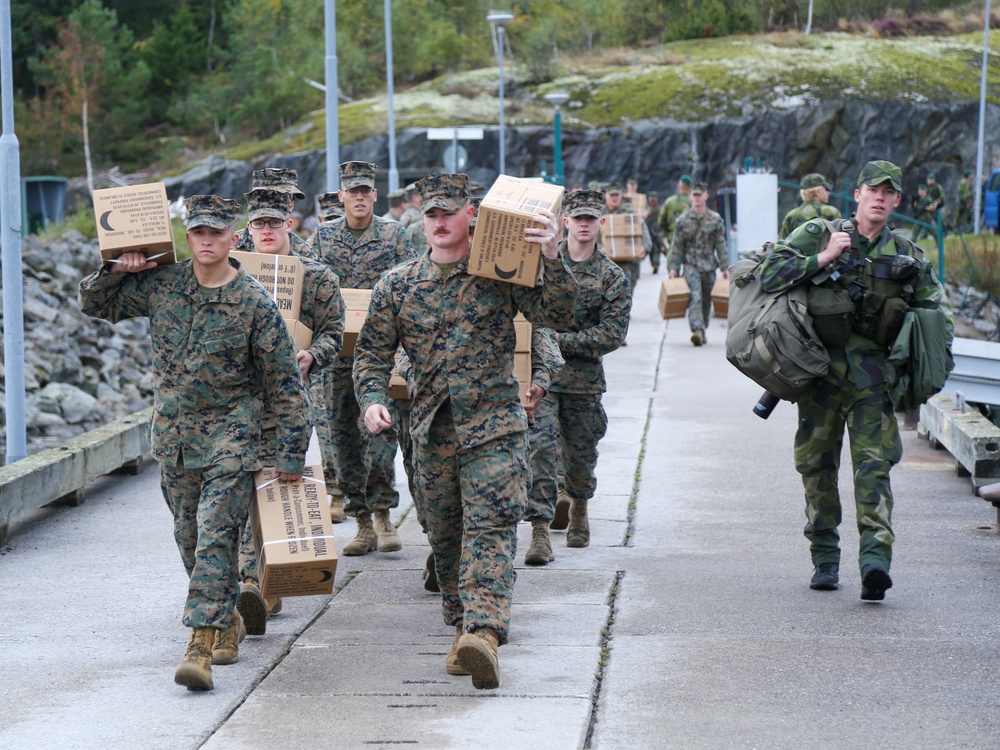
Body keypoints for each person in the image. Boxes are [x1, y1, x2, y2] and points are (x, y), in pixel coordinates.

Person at [353, 173, 579, 690]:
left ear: (470, 214)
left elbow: (559, 314)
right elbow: (370, 354)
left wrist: (552, 257)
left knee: (493, 528)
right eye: (430, 214)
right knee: (447, 537)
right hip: (431, 434)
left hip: (496, 426)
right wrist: (371, 399)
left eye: (447, 213)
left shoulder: (500, 273)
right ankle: (462, 624)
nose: (437, 222)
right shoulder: (399, 284)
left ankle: (484, 631)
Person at [78, 195, 311, 691]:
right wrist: (117, 268)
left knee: (214, 534)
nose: (207, 241)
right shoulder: (163, 286)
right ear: (189, 238)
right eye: (199, 233)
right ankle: (225, 618)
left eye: (216, 233)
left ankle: (199, 645)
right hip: (175, 438)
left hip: (233, 435)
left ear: (233, 238)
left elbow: (285, 386)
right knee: (189, 536)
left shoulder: (253, 303)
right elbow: (95, 305)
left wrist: (290, 452)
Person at [759, 160, 952, 601]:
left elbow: (936, 316)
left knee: (874, 470)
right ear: (858, 193)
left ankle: (875, 562)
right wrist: (822, 258)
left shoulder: (908, 256)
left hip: (873, 382)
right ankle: (825, 558)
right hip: (819, 377)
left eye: (889, 192)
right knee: (817, 469)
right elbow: (770, 274)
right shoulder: (820, 233)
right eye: (873, 189)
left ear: (898, 201)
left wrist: (921, 374)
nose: (880, 197)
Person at [234, 188, 346, 636]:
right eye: (258, 223)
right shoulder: (230, 272)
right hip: (239, 401)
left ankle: (269, 579)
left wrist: (312, 355)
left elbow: (336, 332)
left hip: (287, 403)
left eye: (273, 223)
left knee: (277, 486)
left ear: (289, 224)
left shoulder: (314, 276)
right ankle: (249, 582)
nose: (265, 230)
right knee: (239, 489)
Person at [307, 161, 416, 555]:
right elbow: (306, 286)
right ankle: (362, 523)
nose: (358, 197)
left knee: (381, 436)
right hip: (336, 357)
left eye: (364, 190)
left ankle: (385, 514)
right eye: (351, 191)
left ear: (374, 195)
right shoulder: (323, 238)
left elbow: (409, 289)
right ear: (341, 196)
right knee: (341, 442)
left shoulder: (394, 235)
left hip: (380, 354)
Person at [531, 189, 631, 553]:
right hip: (542, 378)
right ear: (565, 222)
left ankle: (579, 508)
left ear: (601, 223)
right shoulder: (541, 264)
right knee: (538, 450)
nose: (584, 224)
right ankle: (540, 530)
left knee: (580, 456)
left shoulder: (612, 277)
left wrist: (557, 340)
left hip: (583, 382)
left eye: (591, 218)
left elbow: (612, 334)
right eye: (578, 218)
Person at [522, 325, 565, 565]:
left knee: (540, 450)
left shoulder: (518, 289)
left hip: (514, 394)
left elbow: (541, 337)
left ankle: (540, 531)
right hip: (450, 401)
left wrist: (539, 379)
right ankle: (445, 549)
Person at [668, 182, 729, 346]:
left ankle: (703, 328)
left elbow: (721, 245)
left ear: (706, 196)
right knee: (695, 297)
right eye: (694, 195)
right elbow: (677, 246)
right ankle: (697, 329)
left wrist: (725, 268)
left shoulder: (715, 220)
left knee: (706, 300)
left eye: (699, 195)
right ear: (690, 197)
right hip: (690, 266)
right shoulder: (682, 221)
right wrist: (673, 268)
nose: (697, 198)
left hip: (709, 266)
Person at [232, 168, 310, 256]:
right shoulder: (230, 246)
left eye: (291, 198)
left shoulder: (304, 252)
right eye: (278, 198)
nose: (289, 204)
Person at [603, 182, 650, 290]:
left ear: (621, 195)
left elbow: (644, 232)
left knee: (625, 298)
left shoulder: (630, 214)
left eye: (617, 195)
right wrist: (600, 247)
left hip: (628, 265)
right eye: (611, 195)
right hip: (604, 264)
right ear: (606, 196)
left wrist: (644, 247)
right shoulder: (598, 215)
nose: (614, 198)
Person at [779, 173, 841, 239]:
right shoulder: (831, 212)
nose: (828, 193)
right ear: (817, 192)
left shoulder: (791, 216)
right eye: (826, 189)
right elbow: (841, 240)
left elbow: (782, 244)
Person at [658, 175, 692, 250]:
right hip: (691, 240)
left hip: (672, 239)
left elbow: (661, 222)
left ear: (679, 186)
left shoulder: (669, 201)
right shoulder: (694, 203)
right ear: (690, 187)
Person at [645, 191, 665, 273]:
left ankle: (656, 265)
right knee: (651, 250)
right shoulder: (646, 211)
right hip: (648, 232)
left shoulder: (660, 210)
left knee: (657, 250)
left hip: (657, 233)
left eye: (654, 200)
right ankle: (654, 264)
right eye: (651, 200)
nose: (652, 201)